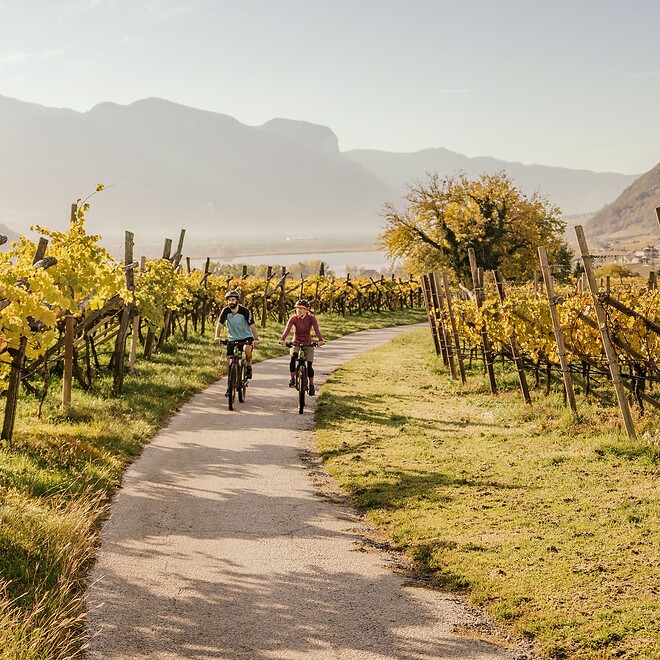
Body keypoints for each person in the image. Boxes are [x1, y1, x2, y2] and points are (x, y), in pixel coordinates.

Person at [214, 290, 260, 393]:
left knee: (247, 350)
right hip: (232, 338)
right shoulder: (225, 311)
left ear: (237, 301)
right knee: (229, 361)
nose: (231, 302)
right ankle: (230, 385)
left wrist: (256, 339)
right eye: (229, 300)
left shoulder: (245, 311)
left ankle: (248, 366)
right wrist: (217, 336)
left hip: (246, 337)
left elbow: (252, 326)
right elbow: (220, 324)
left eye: (233, 300)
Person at [279, 299, 325, 395]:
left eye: (301, 308)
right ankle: (292, 378)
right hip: (296, 342)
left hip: (308, 343)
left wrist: (320, 340)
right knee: (293, 358)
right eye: (297, 308)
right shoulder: (293, 319)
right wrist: (283, 340)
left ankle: (311, 384)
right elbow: (287, 329)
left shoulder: (312, 318)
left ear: (306, 310)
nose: (299, 310)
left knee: (309, 365)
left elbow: (316, 329)